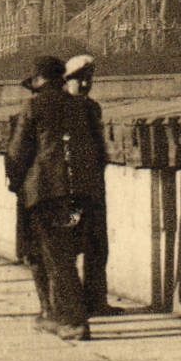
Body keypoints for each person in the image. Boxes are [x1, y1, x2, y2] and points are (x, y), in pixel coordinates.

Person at [5, 55, 106, 341]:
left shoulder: (33, 106)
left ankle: (73, 321)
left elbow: (17, 152)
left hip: (47, 193)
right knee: (65, 253)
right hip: (81, 192)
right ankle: (56, 316)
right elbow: (99, 151)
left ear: (38, 82)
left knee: (56, 256)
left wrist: (17, 182)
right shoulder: (81, 107)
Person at [62, 55, 118, 317]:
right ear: (67, 81)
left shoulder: (93, 108)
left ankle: (96, 301)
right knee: (70, 245)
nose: (85, 84)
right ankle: (72, 305)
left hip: (93, 187)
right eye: (79, 79)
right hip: (70, 189)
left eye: (89, 79)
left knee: (97, 246)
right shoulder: (61, 108)